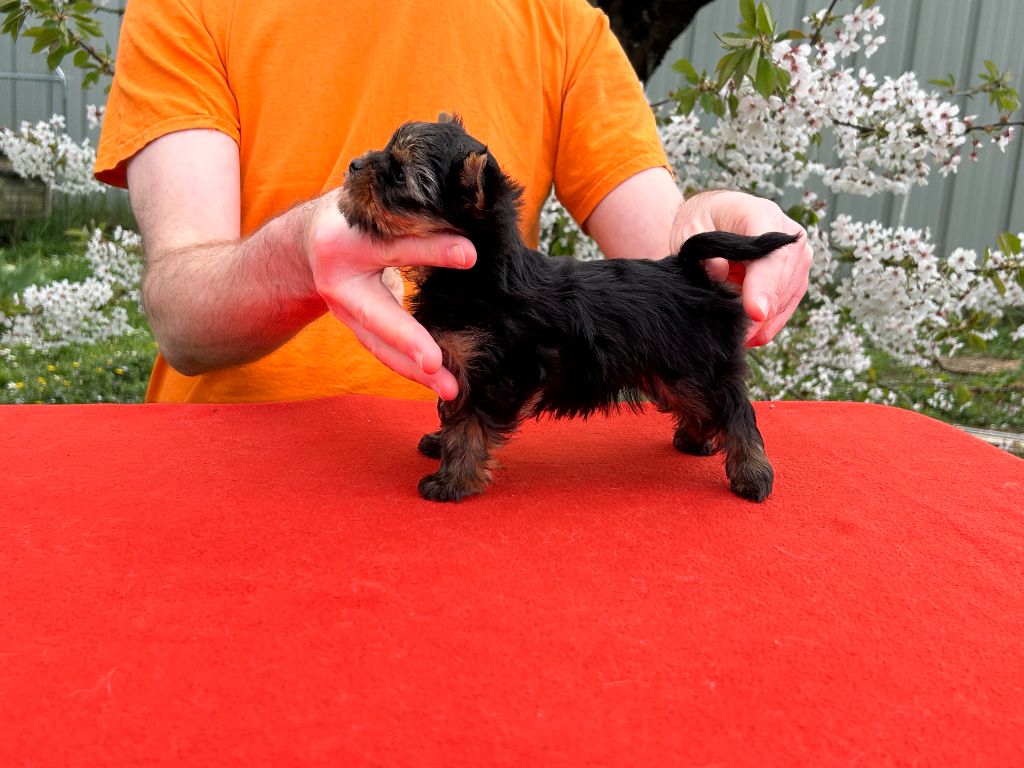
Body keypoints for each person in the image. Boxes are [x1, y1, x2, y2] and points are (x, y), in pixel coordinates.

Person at [95, 0, 812, 405]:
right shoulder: (188, 6)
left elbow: (663, 248)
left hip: (490, 463)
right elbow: (180, 317)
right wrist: (294, 255)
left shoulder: (562, 21)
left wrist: (708, 234)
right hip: (239, 467)